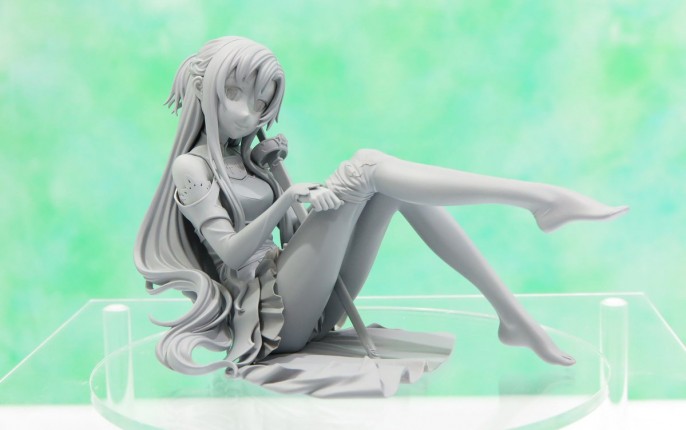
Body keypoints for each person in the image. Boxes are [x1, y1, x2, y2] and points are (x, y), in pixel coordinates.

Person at [134, 36, 627, 389]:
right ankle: (538, 199)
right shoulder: (190, 167)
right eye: (234, 94)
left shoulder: (248, 160)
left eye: (260, 103)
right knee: (366, 167)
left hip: (307, 301)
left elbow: (295, 237)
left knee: (389, 189)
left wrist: (278, 174)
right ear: (203, 86)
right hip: (271, 323)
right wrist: (285, 197)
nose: (247, 113)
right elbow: (231, 255)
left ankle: (513, 316)